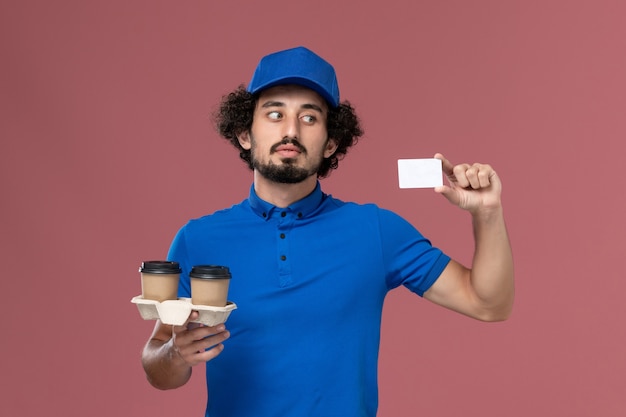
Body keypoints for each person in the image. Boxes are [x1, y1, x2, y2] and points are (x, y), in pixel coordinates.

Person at [141, 46, 514, 417]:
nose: (290, 130)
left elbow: (488, 304)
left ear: (331, 142)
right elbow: (160, 369)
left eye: (309, 118)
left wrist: (488, 213)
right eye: (274, 114)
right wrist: (176, 354)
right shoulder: (197, 239)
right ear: (245, 134)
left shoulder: (375, 230)